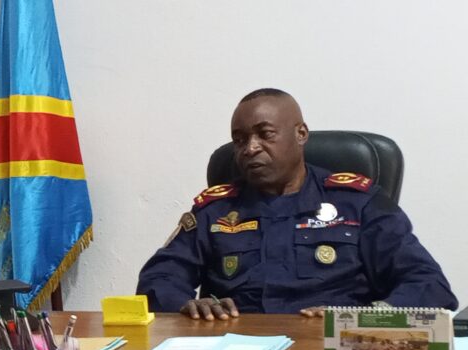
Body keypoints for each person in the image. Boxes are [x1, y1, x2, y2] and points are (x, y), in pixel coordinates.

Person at [137, 88, 457, 320]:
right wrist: (185, 305)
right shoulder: (215, 210)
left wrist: (362, 318)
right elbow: (159, 279)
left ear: (301, 134)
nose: (250, 148)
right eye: (240, 140)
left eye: (265, 134)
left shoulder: (358, 203)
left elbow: (428, 284)